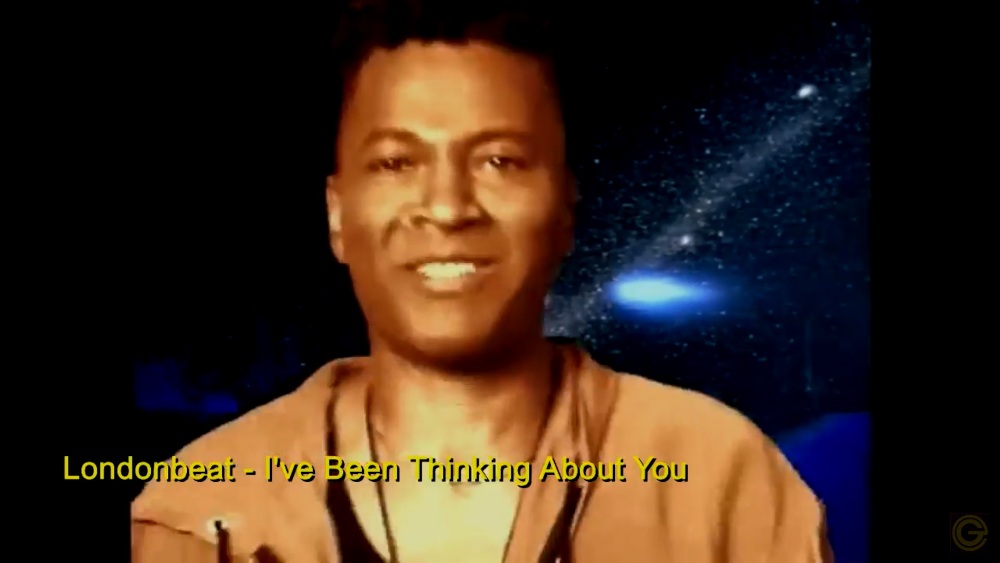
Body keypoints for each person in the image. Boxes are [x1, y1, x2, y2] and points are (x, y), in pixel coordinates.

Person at [131, 1, 833, 561]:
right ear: (337, 216)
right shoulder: (200, 513)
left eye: (500, 160)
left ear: (565, 211)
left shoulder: (722, 483)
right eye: (396, 162)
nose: (447, 207)